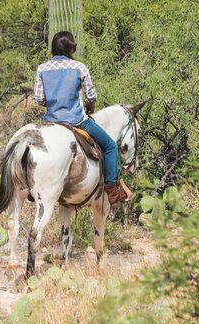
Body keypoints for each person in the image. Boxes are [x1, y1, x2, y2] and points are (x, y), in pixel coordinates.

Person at [33, 31, 129, 205]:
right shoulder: (79, 67)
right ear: (71, 48)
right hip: (76, 120)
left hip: (50, 122)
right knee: (110, 146)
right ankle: (112, 191)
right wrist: (90, 107)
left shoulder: (42, 68)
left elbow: (39, 99)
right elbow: (91, 95)